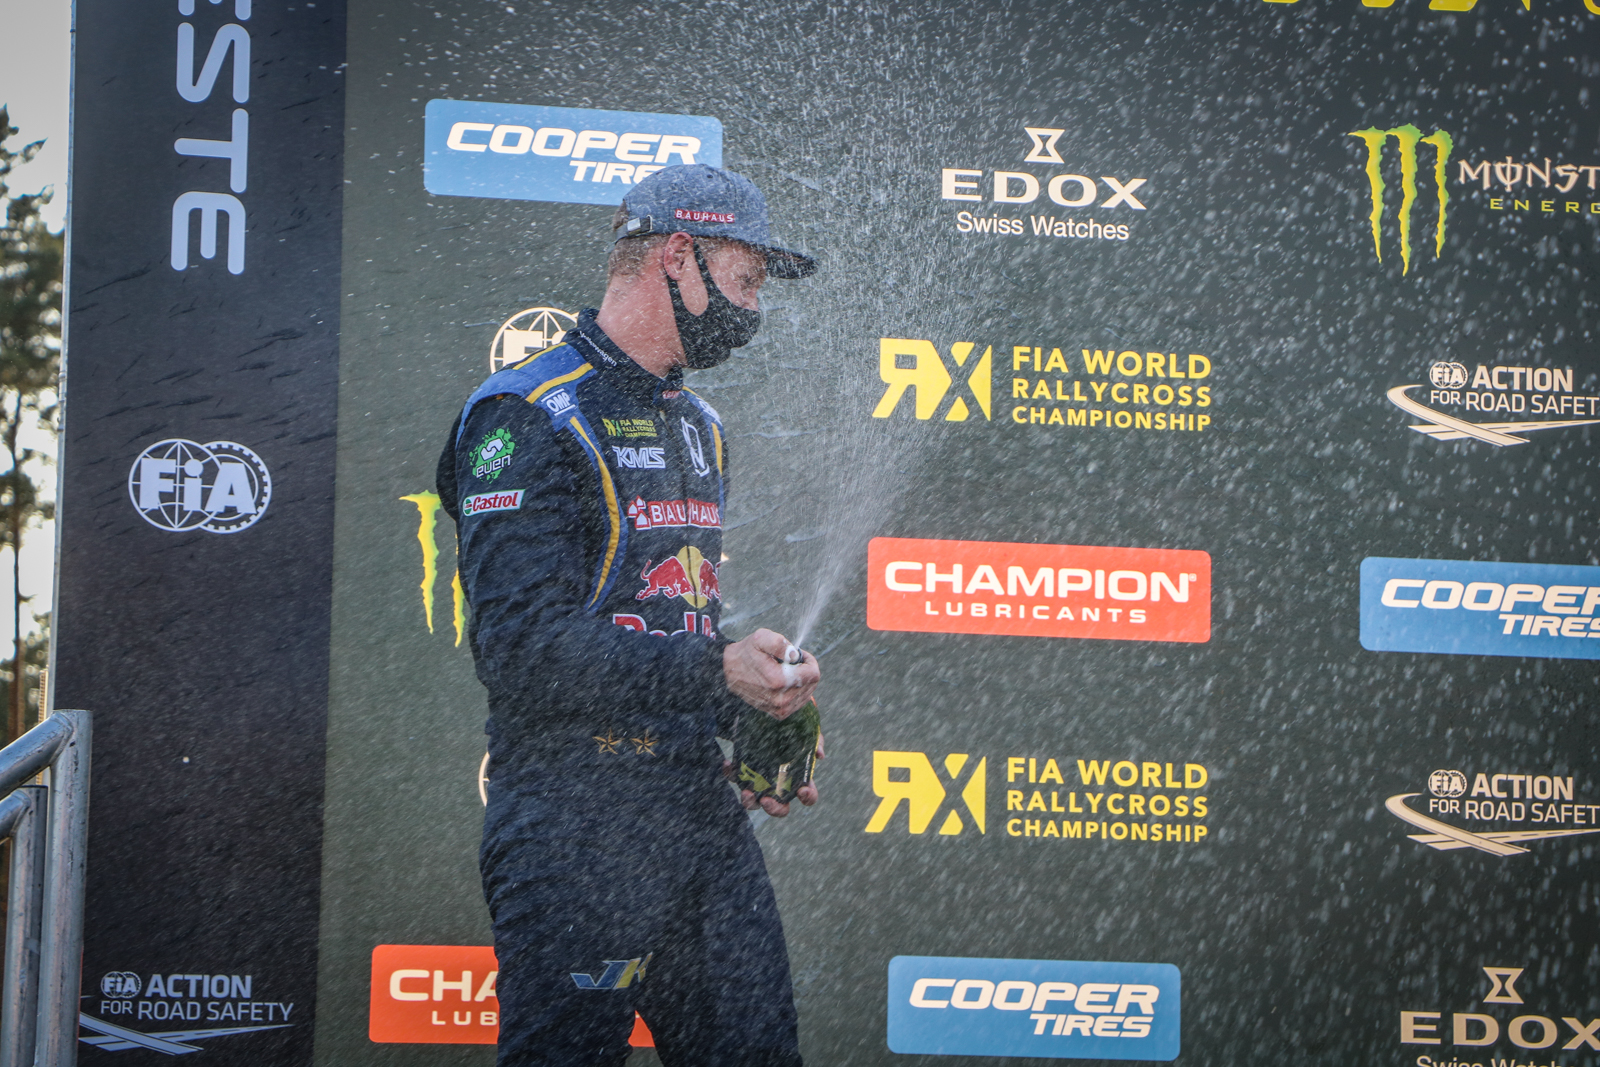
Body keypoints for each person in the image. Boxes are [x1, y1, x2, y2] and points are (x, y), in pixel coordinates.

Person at [436, 164, 821, 1067]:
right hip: (573, 818)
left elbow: (670, 624)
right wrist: (715, 670)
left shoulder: (700, 425)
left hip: (695, 809)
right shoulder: (524, 414)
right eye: (747, 278)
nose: (753, 307)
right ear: (678, 256)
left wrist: (754, 706)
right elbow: (522, 650)